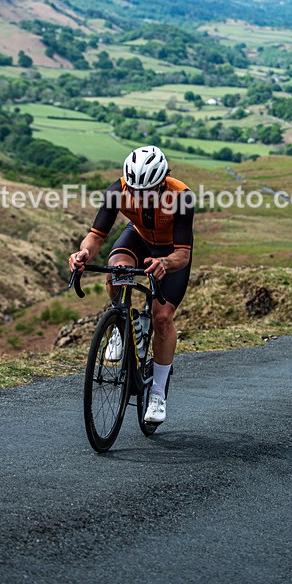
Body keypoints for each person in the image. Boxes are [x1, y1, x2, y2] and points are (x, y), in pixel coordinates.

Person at [69, 145, 194, 424]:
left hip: (172, 252)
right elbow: (96, 235)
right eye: (135, 191)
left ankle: (158, 393)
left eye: (147, 191)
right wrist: (83, 253)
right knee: (116, 271)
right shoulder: (118, 191)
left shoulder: (181, 196)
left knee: (162, 317)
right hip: (137, 239)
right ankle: (124, 324)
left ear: (162, 183)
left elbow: (183, 255)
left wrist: (165, 263)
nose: (140, 197)